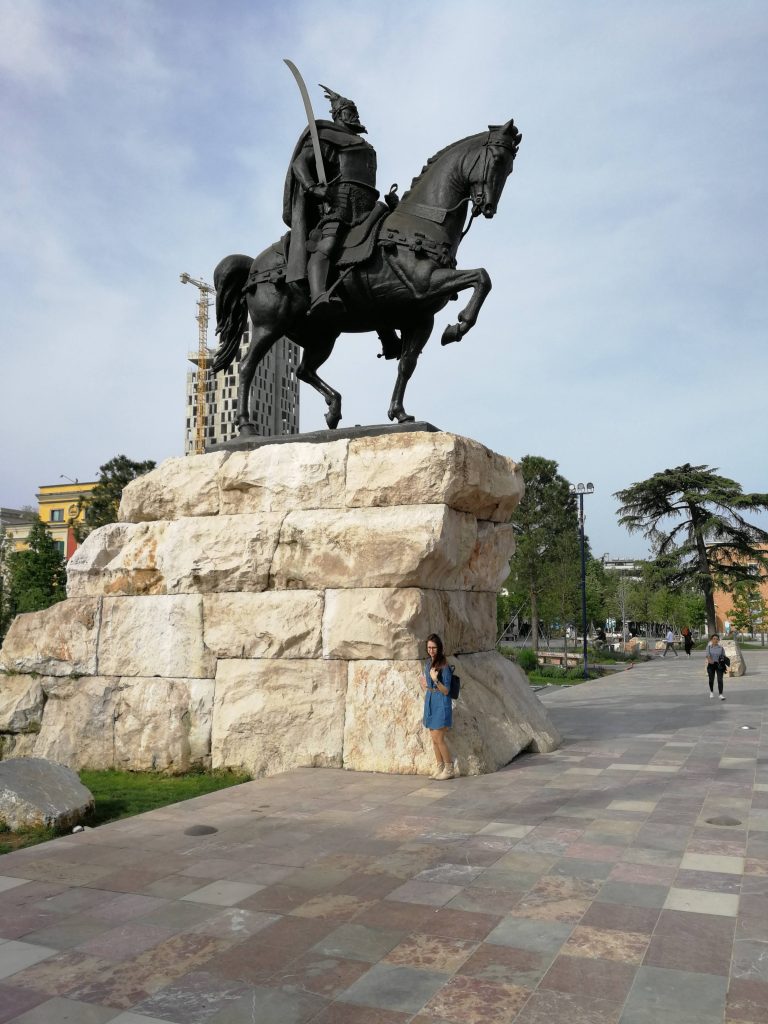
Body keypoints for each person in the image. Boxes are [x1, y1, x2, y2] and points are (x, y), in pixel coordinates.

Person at [283, 85, 390, 312]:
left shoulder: (366, 146)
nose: (355, 115)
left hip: (369, 202)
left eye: (355, 111)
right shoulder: (327, 137)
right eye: (350, 111)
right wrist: (313, 188)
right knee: (328, 244)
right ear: (338, 114)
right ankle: (319, 294)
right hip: (341, 201)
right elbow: (299, 163)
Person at [420, 633, 456, 780]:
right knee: (433, 739)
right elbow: (428, 685)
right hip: (430, 701)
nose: (431, 650)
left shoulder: (444, 666)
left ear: (439, 648)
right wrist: (425, 684)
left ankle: (449, 769)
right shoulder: (428, 664)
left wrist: (435, 680)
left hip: (441, 703)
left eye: (434, 647)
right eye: (429, 647)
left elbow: (446, 690)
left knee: (439, 738)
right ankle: (439, 766)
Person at [705, 633, 727, 700]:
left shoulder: (721, 648)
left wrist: (723, 660)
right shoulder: (708, 647)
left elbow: (723, 656)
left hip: (719, 665)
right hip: (711, 665)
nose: (715, 640)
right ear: (711, 640)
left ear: (718, 640)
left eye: (717, 639)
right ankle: (711, 692)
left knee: (720, 680)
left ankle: (720, 694)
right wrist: (710, 660)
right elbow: (708, 655)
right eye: (714, 639)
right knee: (711, 680)